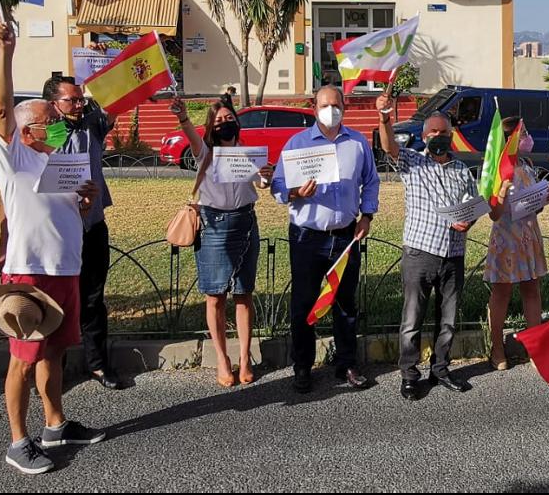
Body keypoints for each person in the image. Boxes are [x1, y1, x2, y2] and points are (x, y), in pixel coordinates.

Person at [0, 21, 105, 475]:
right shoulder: (13, 157)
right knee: (24, 359)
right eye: (52, 122)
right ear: (27, 130)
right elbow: (2, 107)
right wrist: (6, 52)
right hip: (29, 272)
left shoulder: (62, 160)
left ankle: (54, 423)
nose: (60, 126)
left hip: (65, 269)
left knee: (55, 351)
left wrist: (85, 202)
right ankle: (18, 440)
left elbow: (70, 214)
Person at [272, 85, 380, 394]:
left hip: (345, 236)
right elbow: (277, 187)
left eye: (336, 104)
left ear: (344, 106)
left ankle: (346, 364)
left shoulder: (357, 143)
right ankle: (303, 366)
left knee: (345, 303)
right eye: (324, 105)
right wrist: (295, 192)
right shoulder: (297, 143)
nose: (331, 110)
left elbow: (371, 182)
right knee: (304, 304)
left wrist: (367, 215)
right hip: (307, 237)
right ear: (314, 106)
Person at [376, 89, 478, 400]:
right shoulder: (413, 163)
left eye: (444, 132)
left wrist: (469, 221)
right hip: (420, 252)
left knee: (448, 319)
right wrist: (384, 118)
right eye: (433, 131)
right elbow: (389, 146)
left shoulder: (462, 169)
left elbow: (472, 205)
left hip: (453, 254)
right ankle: (409, 374)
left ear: (451, 135)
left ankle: (441, 369)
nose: (439, 136)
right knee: (412, 320)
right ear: (423, 135)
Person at [169, 96, 274, 388]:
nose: (225, 124)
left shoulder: (248, 152)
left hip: (245, 223)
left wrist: (265, 177)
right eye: (218, 121)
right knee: (215, 296)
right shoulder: (205, 152)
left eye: (229, 119)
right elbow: (190, 134)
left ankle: (245, 357)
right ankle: (222, 359)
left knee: (244, 294)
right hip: (214, 225)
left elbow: (260, 184)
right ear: (211, 128)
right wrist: (183, 117)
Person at [43, 75, 121, 390]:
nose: (79, 105)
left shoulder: (91, 124)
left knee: (93, 297)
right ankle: (52, 368)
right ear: (53, 104)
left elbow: (113, 103)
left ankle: (98, 365)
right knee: (57, 299)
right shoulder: (48, 132)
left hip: (93, 224)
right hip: (60, 226)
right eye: (71, 100)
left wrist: (99, 73)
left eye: (80, 100)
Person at [484, 116, 549, 371]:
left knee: (532, 290)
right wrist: (502, 192)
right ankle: (497, 348)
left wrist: (546, 198)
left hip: (528, 236)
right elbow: (494, 214)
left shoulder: (527, 166)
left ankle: (535, 349)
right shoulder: (496, 169)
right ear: (510, 140)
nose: (528, 137)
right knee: (502, 293)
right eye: (523, 133)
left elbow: (531, 208)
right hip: (506, 239)